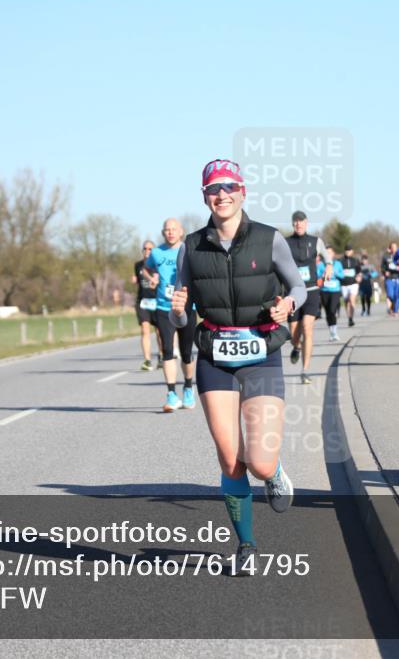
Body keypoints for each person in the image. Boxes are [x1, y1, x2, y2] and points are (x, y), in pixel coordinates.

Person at [170, 159, 306, 573]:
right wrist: (178, 311)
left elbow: (298, 285)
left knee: (259, 462)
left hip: (261, 352)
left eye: (229, 187)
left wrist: (288, 304)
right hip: (215, 356)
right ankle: (246, 544)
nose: (222, 195)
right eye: (214, 189)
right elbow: (181, 316)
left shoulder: (269, 239)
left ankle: (274, 472)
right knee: (230, 459)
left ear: (243, 192)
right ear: (205, 197)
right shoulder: (191, 247)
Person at [144, 219, 197, 411]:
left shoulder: (189, 250)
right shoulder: (156, 253)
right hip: (164, 307)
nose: (171, 232)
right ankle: (171, 394)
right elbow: (146, 268)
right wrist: (152, 278)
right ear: (163, 232)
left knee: (186, 353)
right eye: (167, 230)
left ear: (181, 232)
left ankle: (188, 388)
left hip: (186, 307)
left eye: (174, 229)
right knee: (167, 350)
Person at [286, 211, 326, 384]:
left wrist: (329, 266)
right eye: (295, 222)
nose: (298, 224)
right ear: (293, 224)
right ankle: (296, 347)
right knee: (294, 334)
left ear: (306, 223)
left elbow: (328, 257)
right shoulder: (286, 242)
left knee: (307, 328)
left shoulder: (316, 241)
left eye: (301, 221)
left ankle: (305, 370)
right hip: (293, 292)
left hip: (311, 290)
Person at [133, 240, 161, 371]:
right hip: (143, 301)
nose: (147, 251)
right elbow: (138, 281)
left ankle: (162, 356)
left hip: (157, 301)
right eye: (145, 248)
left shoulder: (158, 264)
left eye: (150, 249)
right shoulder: (138, 265)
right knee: (145, 330)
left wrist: (156, 282)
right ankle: (147, 361)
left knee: (159, 332)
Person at [318, 246, 345, 342]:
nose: (328, 254)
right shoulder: (321, 264)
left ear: (333, 254)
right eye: (327, 252)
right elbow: (317, 276)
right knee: (328, 312)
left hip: (335, 290)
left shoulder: (338, 264)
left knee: (333, 310)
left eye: (330, 252)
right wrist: (322, 275)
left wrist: (335, 273)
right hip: (324, 291)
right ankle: (331, 332)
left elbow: (342, 276)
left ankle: (335, 332)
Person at [339, 245, 362, 326]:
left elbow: (359, 271)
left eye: (349, 250)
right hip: (344, 284)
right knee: (346, 301)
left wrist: (359, 277)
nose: (348, 252)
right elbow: (338, 270)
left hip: (353, 283)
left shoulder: (355, 260)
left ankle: (351, 317)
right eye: (346, 250)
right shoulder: (340, 261)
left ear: (352, 251)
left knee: (352, 300)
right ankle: (349, 318)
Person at [381, 242, 399, 317]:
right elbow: (382, 267)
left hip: (398, 277)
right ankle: (393, 306)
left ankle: (395, 311)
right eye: (392, 247)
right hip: (389, 278)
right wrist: (384, 272)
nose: (394, 248)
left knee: (397, 295)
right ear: (390, 248)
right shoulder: (386, 256)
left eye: (395, 247)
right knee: (390, 295)